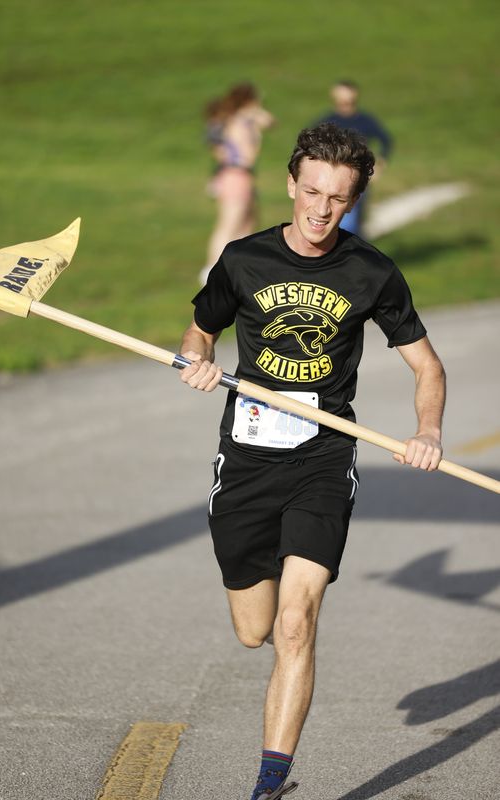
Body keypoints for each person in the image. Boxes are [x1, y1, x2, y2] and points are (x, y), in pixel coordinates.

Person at [178, 123, 445, 799]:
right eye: (314, 191)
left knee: (297, 623)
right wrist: (200, 362)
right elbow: (199, 330)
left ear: (352, 199)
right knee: (254, 631)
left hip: (322, 458)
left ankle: (268, 784)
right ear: (291, 184)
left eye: (339, 197)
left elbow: (425, 364)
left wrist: (428, 430)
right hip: (245, 458)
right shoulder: (243, 259)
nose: (323, 208)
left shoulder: (370, 271)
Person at [200, 83, 275, 285]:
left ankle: (238, 269)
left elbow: (270, 122)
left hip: (240, 177)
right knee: (229, 224)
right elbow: (247, 156)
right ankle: (211, 271)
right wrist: (255, 125)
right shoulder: (239, 122)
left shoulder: (236, 119)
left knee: (248, 224)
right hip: (236, 175)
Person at [311, 80, 392, 237]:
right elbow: (308, 142)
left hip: (357, 177)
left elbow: (385, 140)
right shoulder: (327, 121)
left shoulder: (364, 120)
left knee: (352, 222)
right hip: (330, 179)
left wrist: (380, 165)